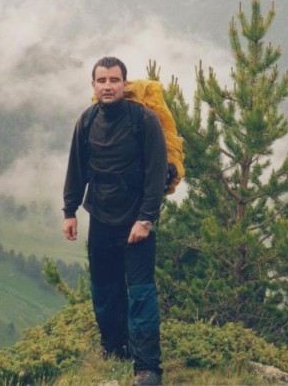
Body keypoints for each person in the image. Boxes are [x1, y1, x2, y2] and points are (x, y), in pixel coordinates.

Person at [63, 56, 167, 386]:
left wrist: (146, 219)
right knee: (105, 288)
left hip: (137, 221)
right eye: (102, 80)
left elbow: (155, 174)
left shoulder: (144, 120)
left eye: (114, 80)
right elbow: (77, 168)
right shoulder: (87, 120)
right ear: (93, 85)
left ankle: (147, 367)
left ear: (125, 84)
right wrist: (70, 211)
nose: (108, 86)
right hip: (101, 217)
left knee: (140, 292)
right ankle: (114, 348)